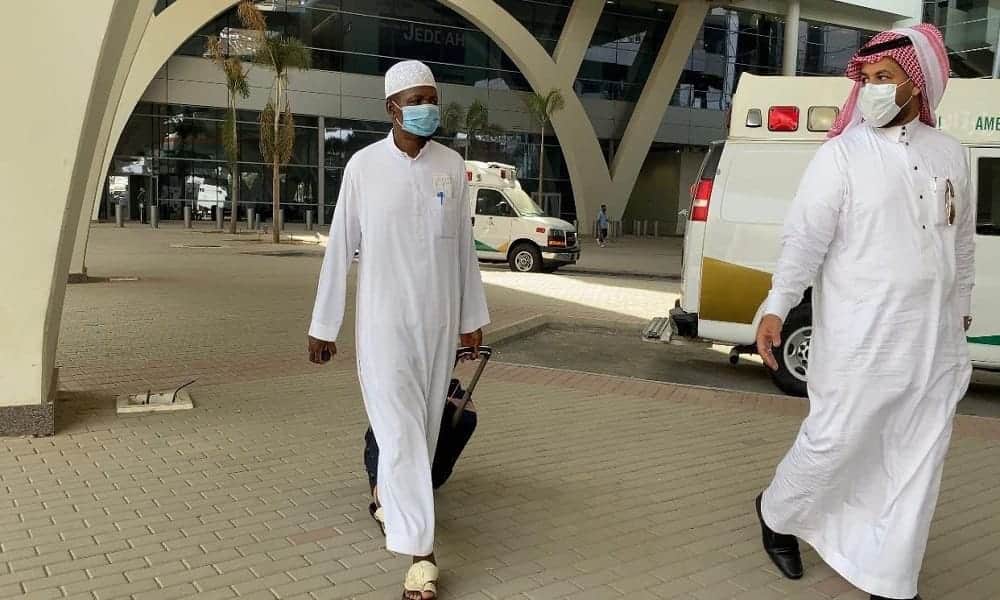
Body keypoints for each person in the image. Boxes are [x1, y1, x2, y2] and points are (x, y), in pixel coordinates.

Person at [753, 24, 974, 600]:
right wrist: (777, 306)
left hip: (931, 342)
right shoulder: (842, 157)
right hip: (860, 340)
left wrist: (962, 308)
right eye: (867, 78)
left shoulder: (950, 153)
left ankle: (891, 579)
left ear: (916, 83)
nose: (873, 88)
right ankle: (776, 513)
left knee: (915, 456)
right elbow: (804, 241)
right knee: (834, 442)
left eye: (885, 77)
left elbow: (961, 242)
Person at [307, 60, 490, 600]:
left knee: (423, 433)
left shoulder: (452, 166)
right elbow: (340, 246)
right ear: (392, 108)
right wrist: (324, 324)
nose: (428, 108)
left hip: (437, 325)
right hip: (382, 326)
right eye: (417, 101)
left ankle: (389, 499)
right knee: (402, 434)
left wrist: (471, 319)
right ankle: (422, 556)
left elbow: (463, 249)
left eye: (432, 99)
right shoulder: (363, 167)